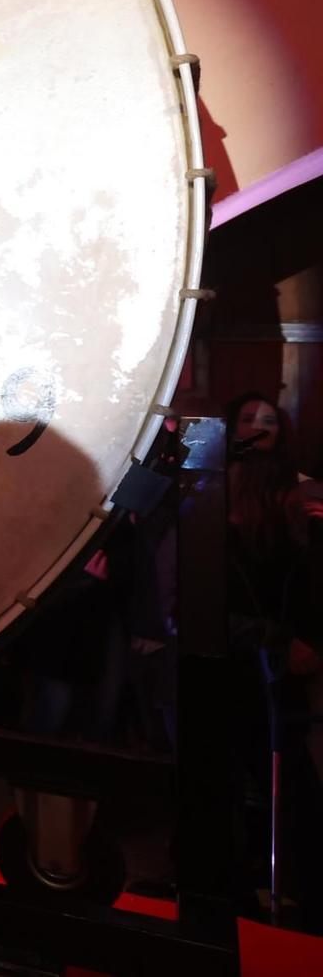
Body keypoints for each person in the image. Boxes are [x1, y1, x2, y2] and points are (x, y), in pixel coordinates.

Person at [223, 391, 323, 929]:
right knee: (237, 764)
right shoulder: (219, 486)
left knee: (286, 765)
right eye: (247, 419)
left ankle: (297, 885)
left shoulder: (295, 491)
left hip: (279, 646)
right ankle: (245, 881)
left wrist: (303, 638)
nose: (258, 428)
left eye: (268, 421)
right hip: (233, 642)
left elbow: (308, 577)